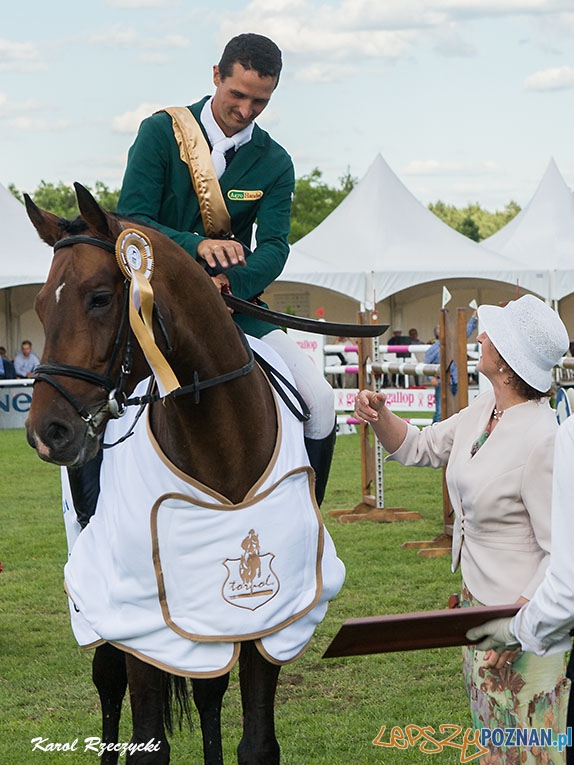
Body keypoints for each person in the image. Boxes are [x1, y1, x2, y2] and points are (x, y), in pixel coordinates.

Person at [70, 34, 335, 526]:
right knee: (95, 398)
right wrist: (196, 248)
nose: (245, 109)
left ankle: (306, 518)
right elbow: (132, 219)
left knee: (319, 399)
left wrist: (231, 286)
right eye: (237, 94)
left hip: (235, 308)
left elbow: (276, 246)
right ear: (217, 75)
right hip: (152, 303)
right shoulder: (160, 133)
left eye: (260, 100)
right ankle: (90, 518)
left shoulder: (275, 163)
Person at [354, 294, 570, 763]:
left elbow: (561, 555)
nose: (484, 335)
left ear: (508, 364)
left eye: (496, 335)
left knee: (529, 750)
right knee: (492, 746)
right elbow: (421, 447)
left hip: (523, 620)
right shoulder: (483, 408)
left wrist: (522, 626)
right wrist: (380, 415)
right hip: (475, 609)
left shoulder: (544, 439)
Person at [425, 313, 478, 423]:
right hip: (442, 383)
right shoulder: (434, 349)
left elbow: (465, 332)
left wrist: (474, 318)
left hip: (456, 382)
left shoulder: (452, 343)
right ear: (440, 334)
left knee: (458, 411)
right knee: (440, 412)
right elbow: (426, 366)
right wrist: (431, 378)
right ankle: (433, 436)